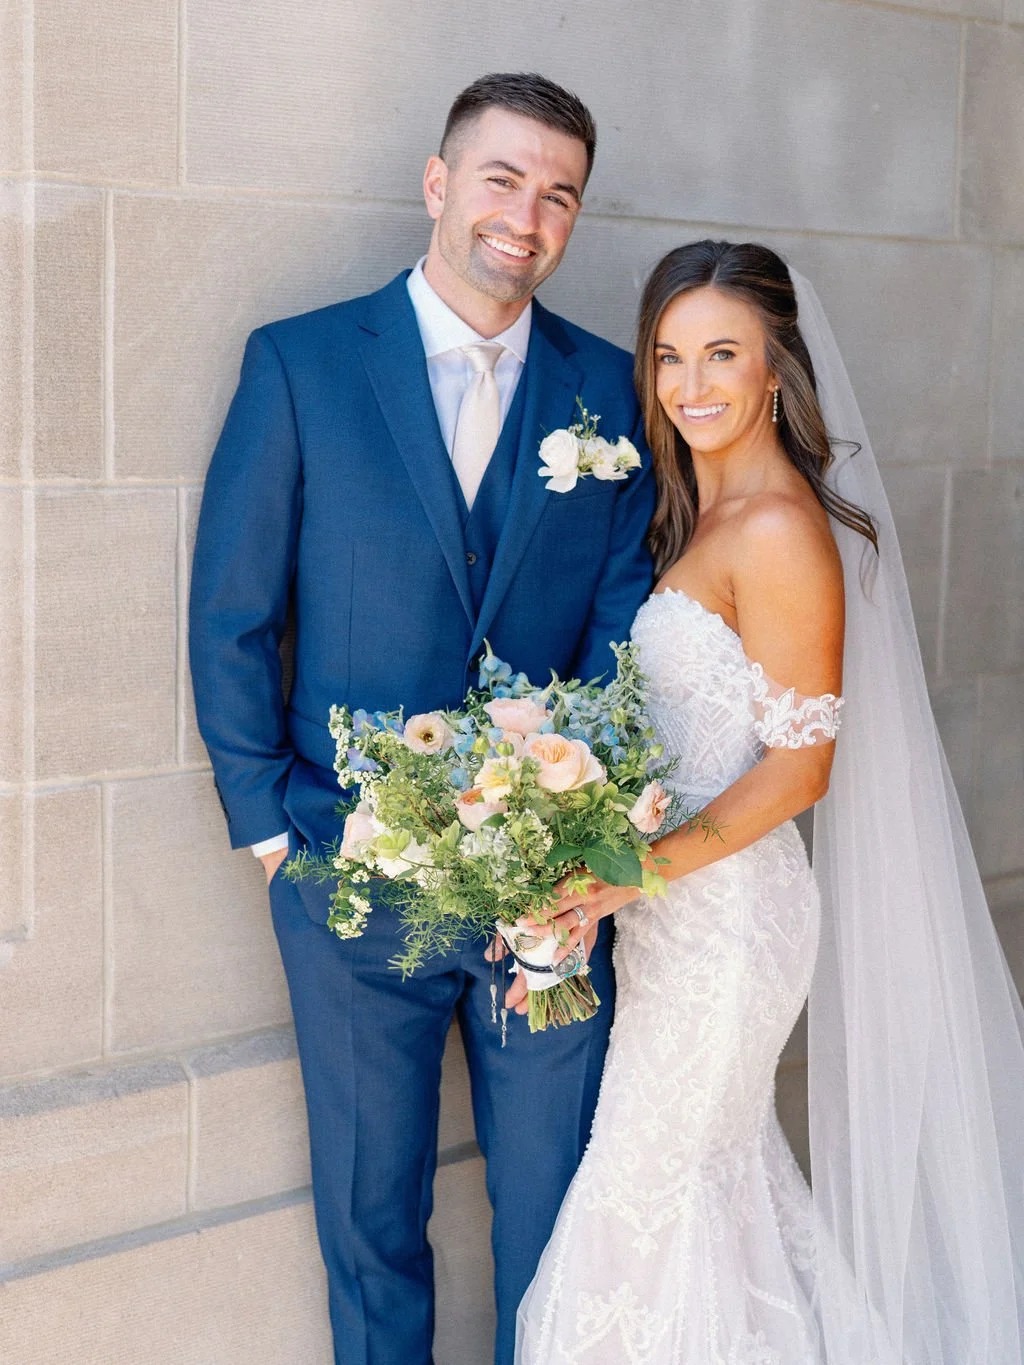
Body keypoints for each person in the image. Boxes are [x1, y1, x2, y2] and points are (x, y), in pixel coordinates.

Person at [188, 73, 655, 1365]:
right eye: (503, 177)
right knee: (373, 1219)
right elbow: (231, 612)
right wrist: (276, 836)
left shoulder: (612, 395)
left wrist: (581, 840)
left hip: (549, 889)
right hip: (348, 886)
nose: (528, 213)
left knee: (558, 1218)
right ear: (440, 183)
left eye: (559, 193)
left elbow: (626, 643)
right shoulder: (302, 363)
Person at [512, 240, 1024, 1363]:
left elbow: (798, 769)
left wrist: (625, 875)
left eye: (722, 355)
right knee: (705, 1194)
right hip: (672, 915)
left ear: (775, 366)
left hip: (729, 925)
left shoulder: (780, 530)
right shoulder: (698, 511)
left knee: (649, 1198)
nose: (691, 385)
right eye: (668, 357)